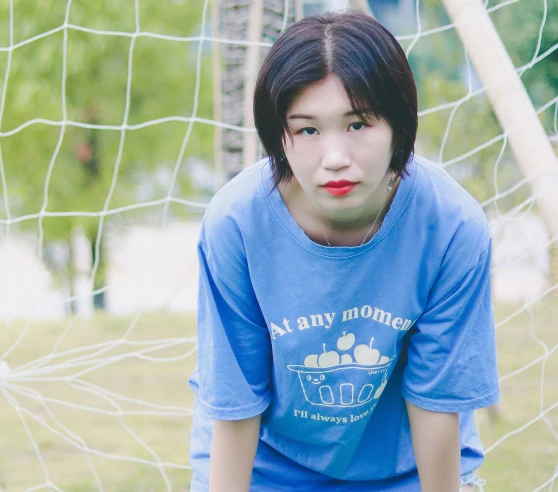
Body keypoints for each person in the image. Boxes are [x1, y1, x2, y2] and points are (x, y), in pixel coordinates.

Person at [187, 11, 500, 492]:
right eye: (308, 130)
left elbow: (436, 404)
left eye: (357, 124)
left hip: (406, 471)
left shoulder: (451, 227)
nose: (335, 157)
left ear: (398, 125)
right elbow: (235, 406)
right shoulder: (237, 225)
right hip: (267, 469)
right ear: (279, 137)